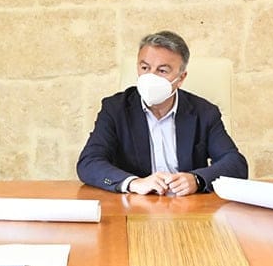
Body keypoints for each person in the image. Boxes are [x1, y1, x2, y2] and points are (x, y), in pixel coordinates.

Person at [77, 30, 247, 196]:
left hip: (187, 205)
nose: (150, 77)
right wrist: (133, 183)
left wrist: (197, 179)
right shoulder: (115, 109)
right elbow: (89, 162)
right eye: (145, 67)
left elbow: (236, 164)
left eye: (162, 71)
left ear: (181, 78)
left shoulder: (204, 112)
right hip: (136, 204)